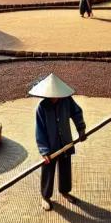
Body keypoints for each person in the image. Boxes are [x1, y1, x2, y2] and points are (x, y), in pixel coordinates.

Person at [31, 74, 86, 211]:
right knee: (48, 171)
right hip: (50, 146)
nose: (54, 97)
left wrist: (81, 129)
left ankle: (65, 191)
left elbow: (77, 113)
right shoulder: (42, 108)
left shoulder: (67, 101)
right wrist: (44, 151)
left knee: (65, 168)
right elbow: (40, 131)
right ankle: (45, 196)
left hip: (65, 142)